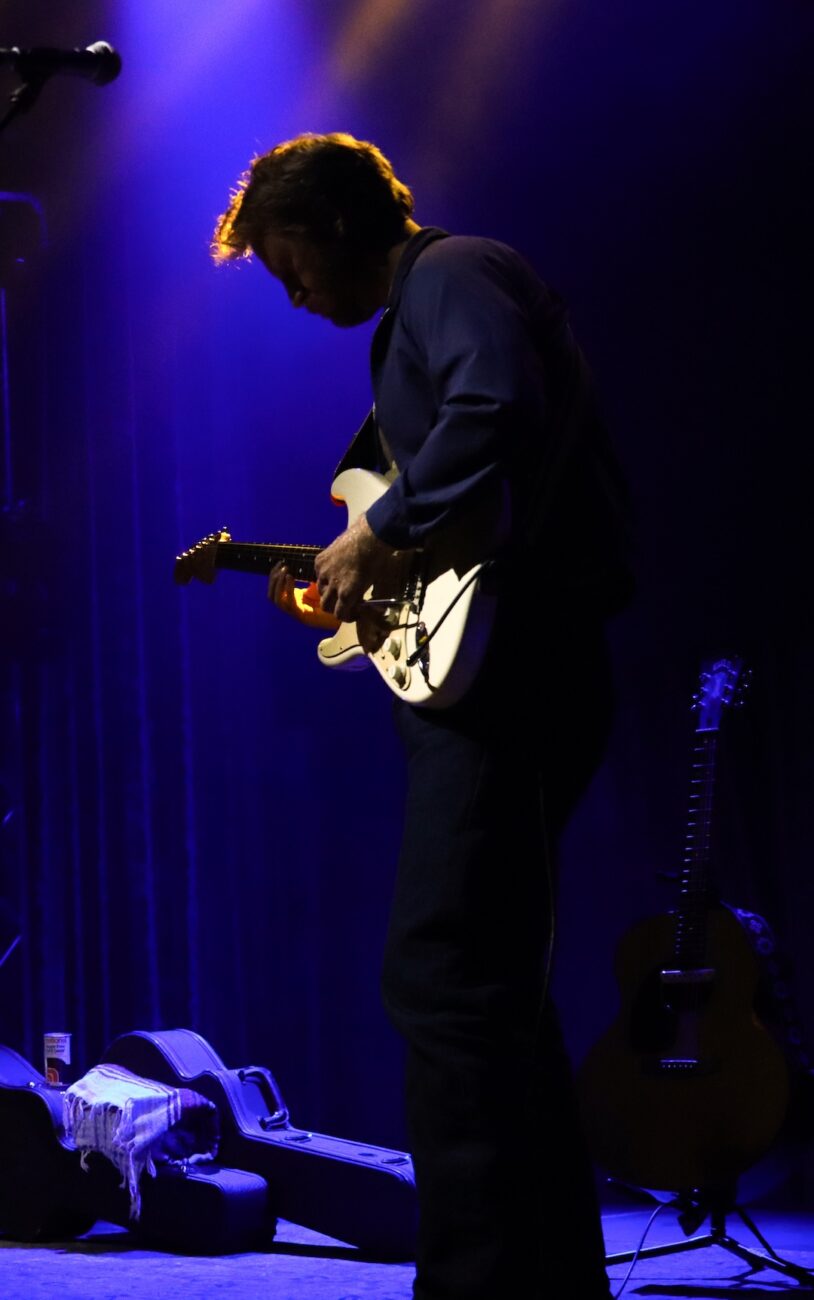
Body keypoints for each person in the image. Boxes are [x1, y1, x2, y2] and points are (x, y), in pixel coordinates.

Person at [212, 132, 632, 1300]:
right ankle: (542, 1278)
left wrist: (381, 532)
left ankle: (477, 1280)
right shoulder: (412, 321)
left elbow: (496, 406)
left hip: (515, 676)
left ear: (337, 223)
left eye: (291, 265)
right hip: (498, 672)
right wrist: (353, 583)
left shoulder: (455, 272)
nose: (294, 296)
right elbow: (455, 510)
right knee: (484, 988)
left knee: (444, 973)